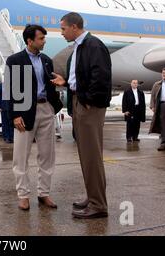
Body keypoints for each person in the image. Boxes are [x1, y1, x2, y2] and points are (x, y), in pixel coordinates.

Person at [52, 12, 112, 219]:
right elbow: (81, 78)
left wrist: (87, 101)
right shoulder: (78, 47)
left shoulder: (94, 46)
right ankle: (93, 196)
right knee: (87, 157)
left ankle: (98, 205)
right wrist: (66, 82)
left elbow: (101, 78)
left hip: (89, 107)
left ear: (74, 27)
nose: (61, 33)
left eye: (63, 28)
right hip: (79, 103)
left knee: (92, 157)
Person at [4, 24, 63, 211]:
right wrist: (14, 115)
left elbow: (49, 84)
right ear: (30, 41)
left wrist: (54, 102)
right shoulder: (14, 60)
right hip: (23, 111)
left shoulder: (46, 60)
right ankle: (23, 195)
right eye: (41, 39)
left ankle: (44, 193)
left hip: (46, 109)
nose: (44, 41)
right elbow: (9, 90)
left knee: (47, 155)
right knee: (21, 157)